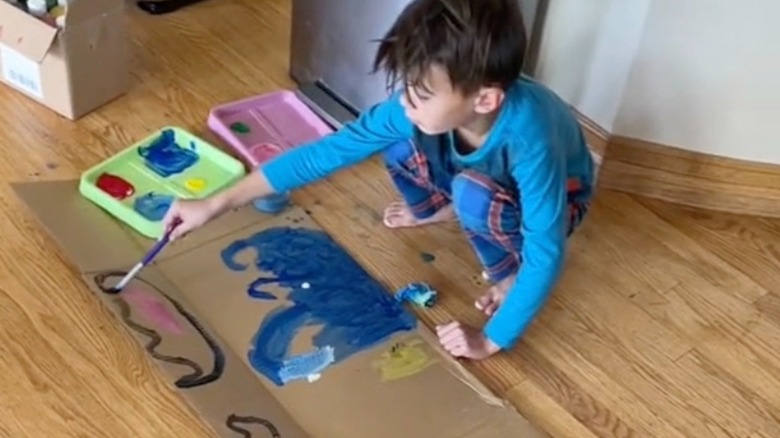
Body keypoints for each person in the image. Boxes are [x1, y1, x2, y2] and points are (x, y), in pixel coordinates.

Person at [163, 0, 594, 360]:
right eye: (405, 84)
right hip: (476, 169)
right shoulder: (419, 106)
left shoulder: (528, 135)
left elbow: (547, 245)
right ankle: (438, 208)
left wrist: (490, 339)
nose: (405, 99)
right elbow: (328, 153)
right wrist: (217, 203)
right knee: (400, 136)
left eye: (421, 93)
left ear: (485, 98)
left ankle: (505, 273)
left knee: (472, 194)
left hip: (558, 198)